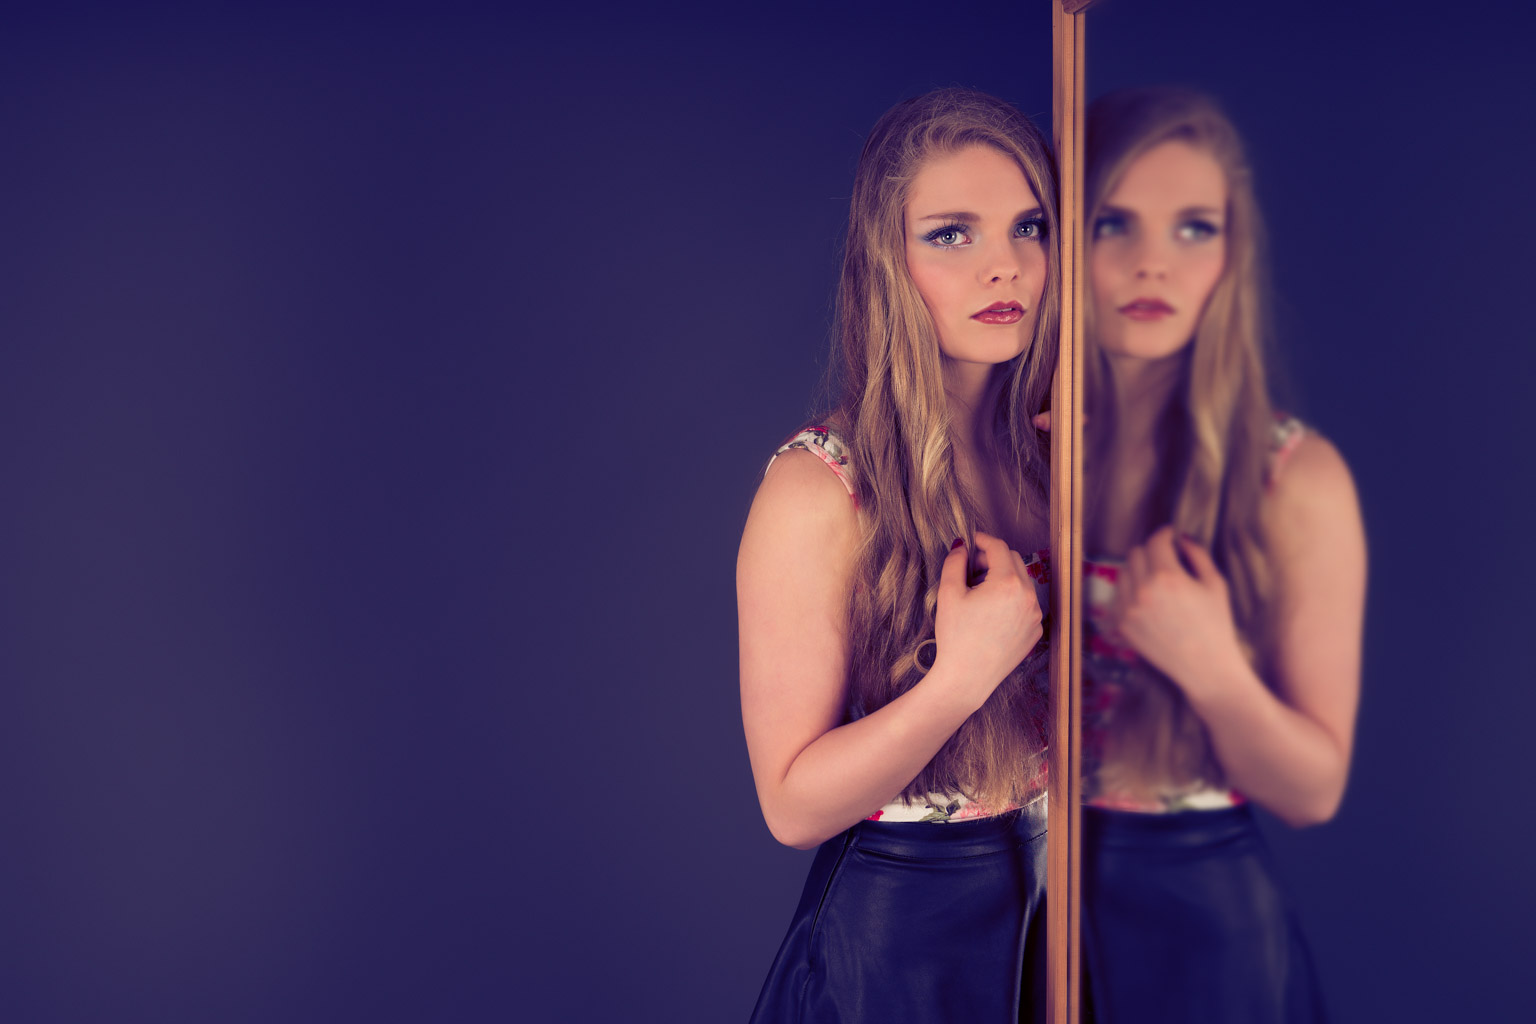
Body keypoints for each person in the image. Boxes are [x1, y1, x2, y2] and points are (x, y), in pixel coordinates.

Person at [738, 87, 1060, 1022]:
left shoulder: (1056, 457)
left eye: (1029, 226)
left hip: (1049, 931)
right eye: (951, 234)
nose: (1004, 265)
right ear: (889, 263)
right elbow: (792, 807)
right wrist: (958, 680)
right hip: (897, 958)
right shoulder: (819, 487)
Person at [1067, 87, 1367, 1022]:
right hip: (1003, 916)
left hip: (1195, 936)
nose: (1154, 261)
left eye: (1195, 228)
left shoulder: (1294, 476)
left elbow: (1313, 791)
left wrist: (1211, 668)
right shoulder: (1003, 456)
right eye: (1113, 222)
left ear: (1232, 255)